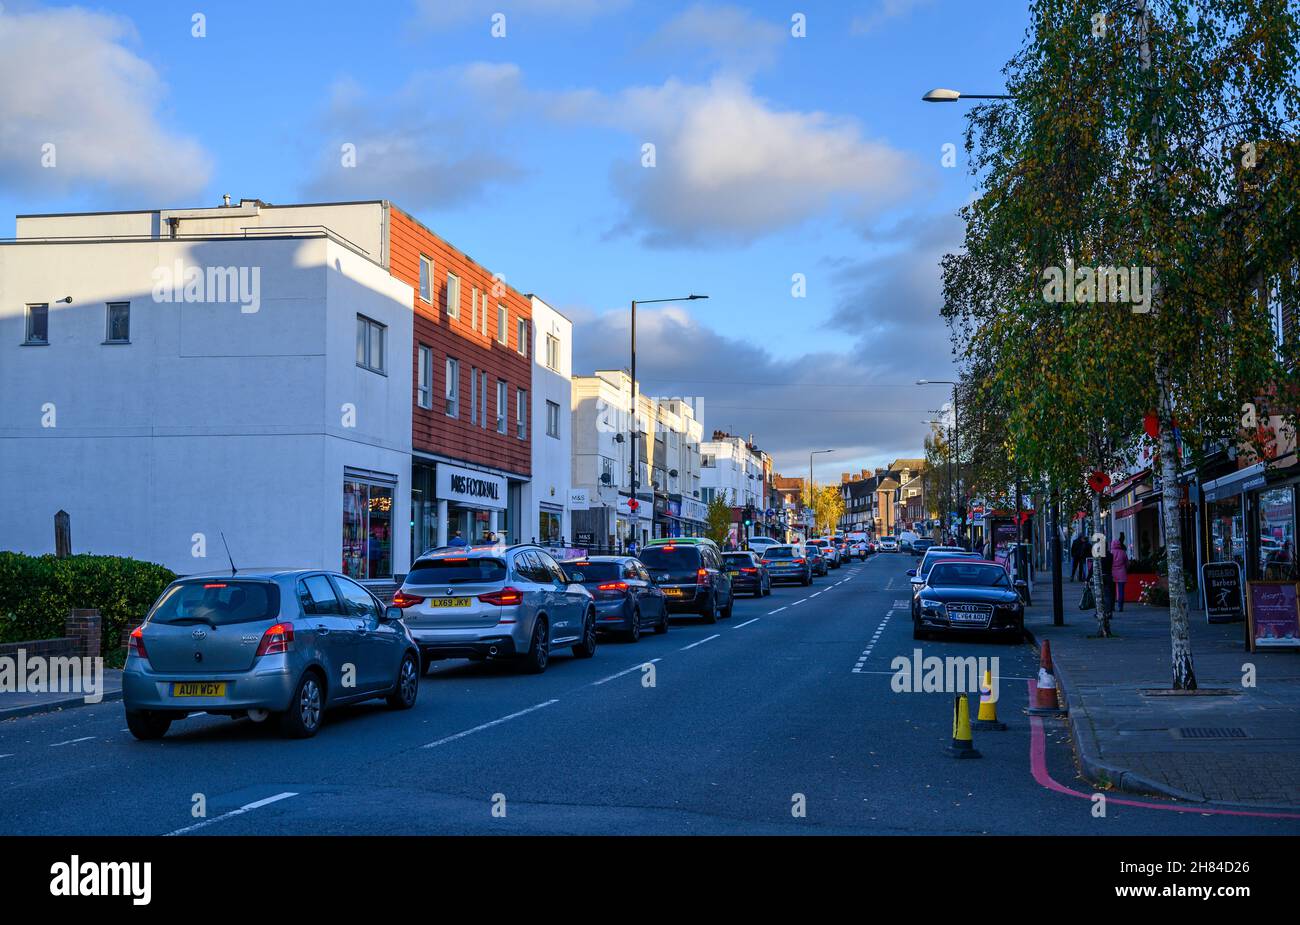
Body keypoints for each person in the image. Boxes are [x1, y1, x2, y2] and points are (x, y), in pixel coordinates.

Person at [1111, 534, 1129, 612]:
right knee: (1121, 590)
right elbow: (1127, 563)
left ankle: (1112, 606)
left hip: (1113, 573)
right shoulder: (1123, 552)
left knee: (1112, 591)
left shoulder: (1111, 552)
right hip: (1122, 572)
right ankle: (1120, 606)